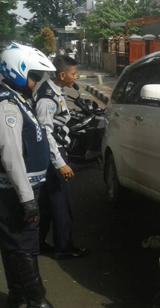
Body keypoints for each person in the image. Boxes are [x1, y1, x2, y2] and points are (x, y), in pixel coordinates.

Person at [0, 42, 55, 308]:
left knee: (13, 242)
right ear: (17, 71)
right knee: (24, 244)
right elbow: (11, 156)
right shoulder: (7, 106)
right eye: (33, 75)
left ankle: (18, 296)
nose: (35, 82)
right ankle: (36, 300)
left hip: (19, 189)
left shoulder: (16, 99)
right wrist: (26, 199)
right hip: (14, 192)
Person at [34, 55, 90, 260]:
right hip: (54, 154)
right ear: (62, 74)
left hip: (55, 151)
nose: (76, 77)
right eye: (73, 73)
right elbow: (45, 132)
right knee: (61, 204)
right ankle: (64, 248)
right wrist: (60, 164)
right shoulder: (47, 98)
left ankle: (39, 244)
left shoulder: (55, 90)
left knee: (48, 204)